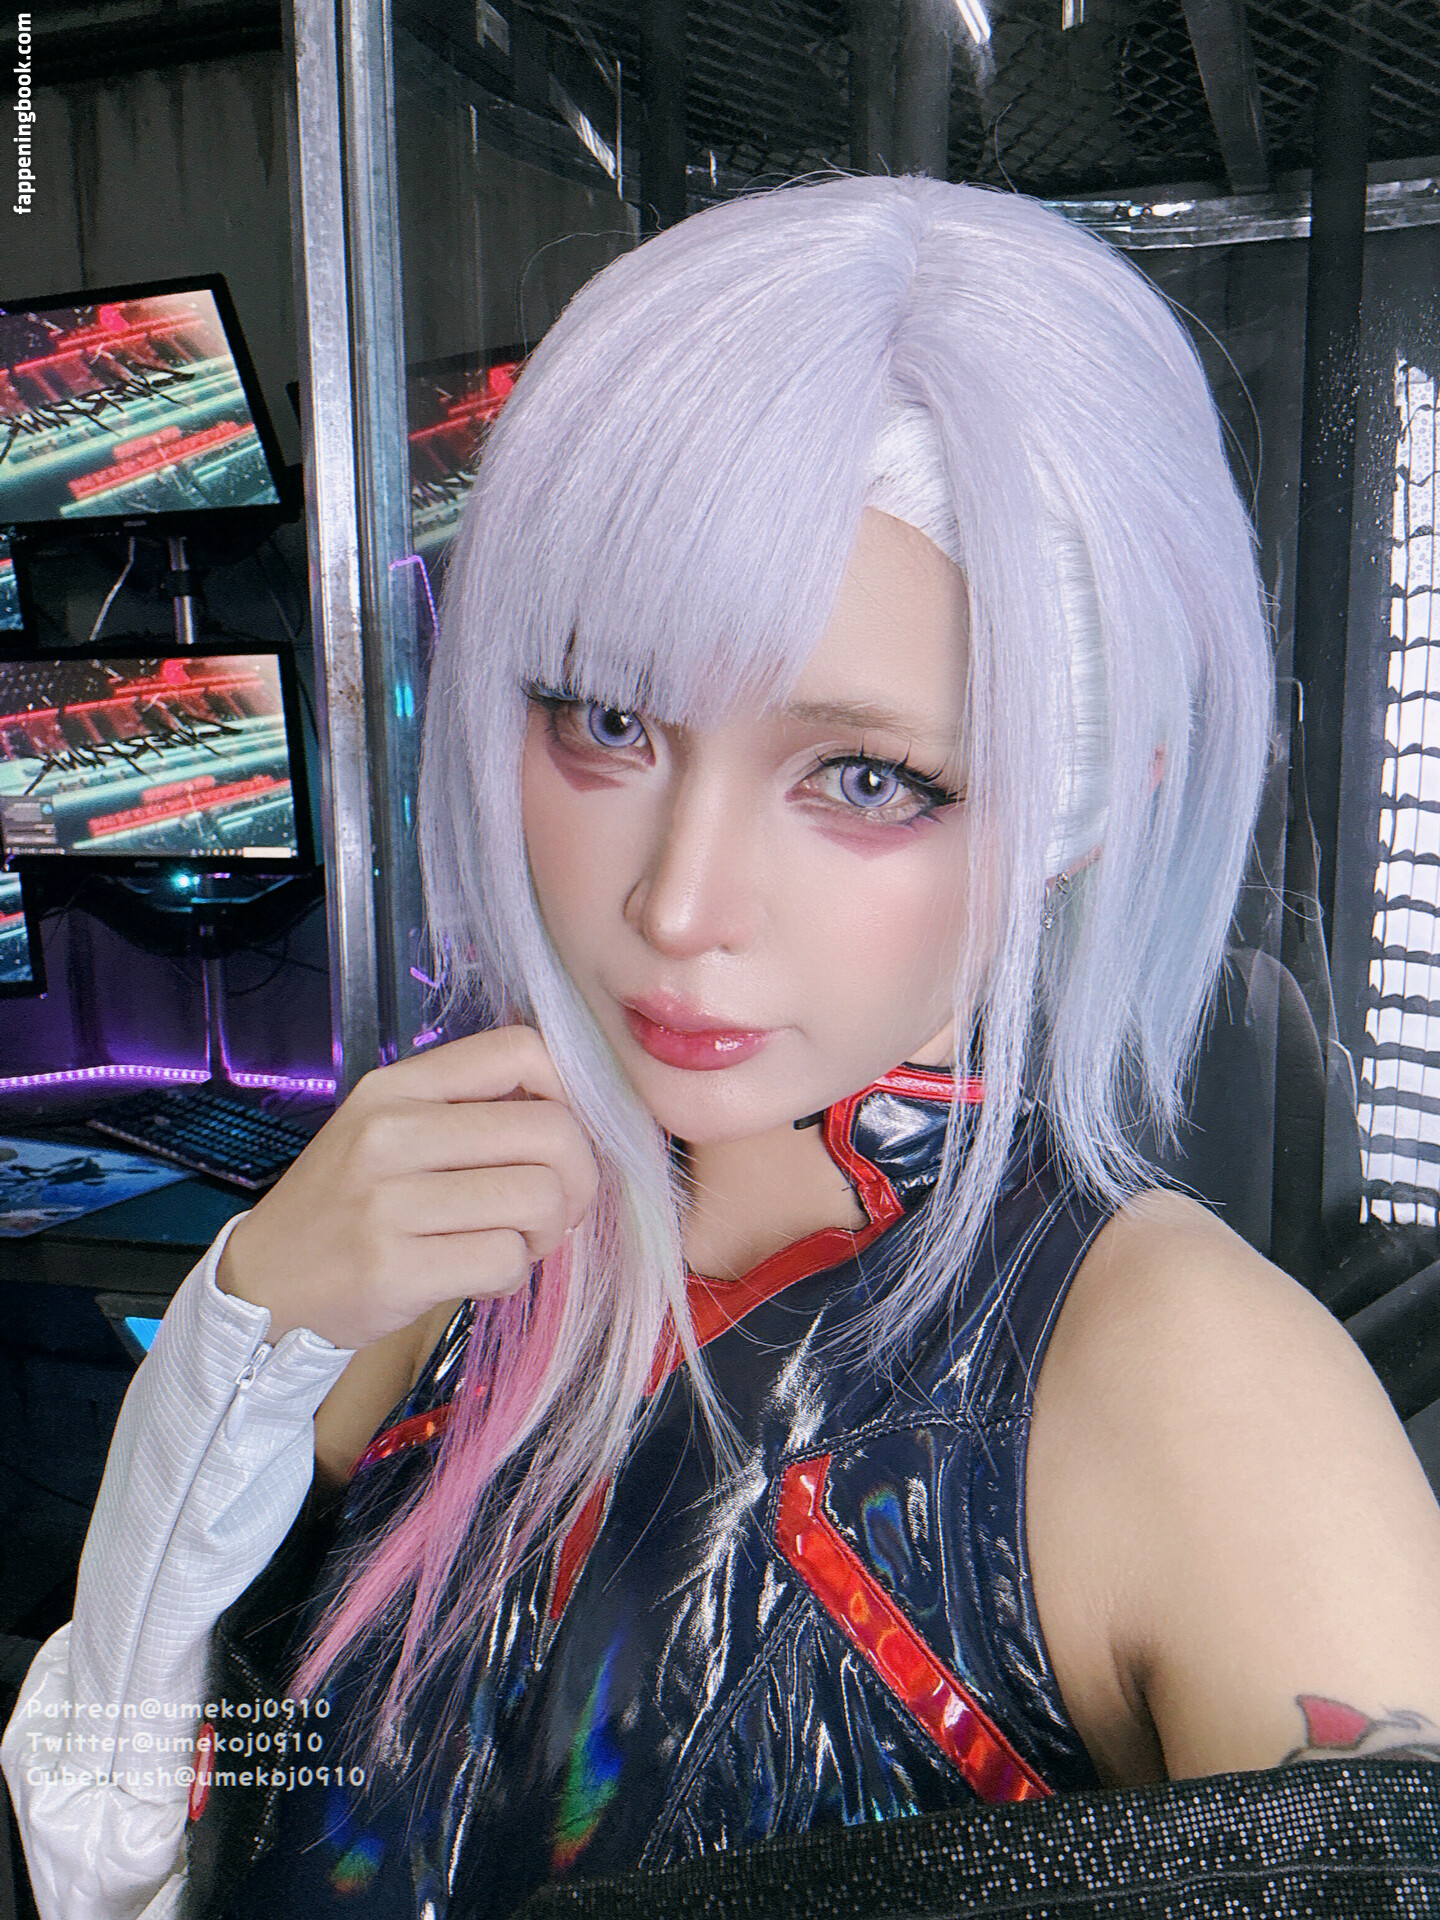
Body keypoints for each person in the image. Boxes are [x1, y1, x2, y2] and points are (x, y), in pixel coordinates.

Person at [5, 174, 1440, 1920]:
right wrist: (246, 1327)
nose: (677, 906)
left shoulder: (1194, 1387)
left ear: (1077, 805)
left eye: (867, 778)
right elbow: (124, 1831)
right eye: (609, 719)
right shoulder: (455, 1215)